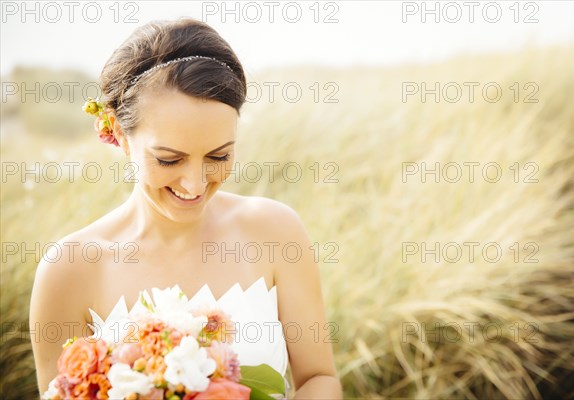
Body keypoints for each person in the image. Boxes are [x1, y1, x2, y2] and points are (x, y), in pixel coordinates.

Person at [29, 18, 342, 399]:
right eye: (169, 160)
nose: (195, 184)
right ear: (120, 134)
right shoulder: (69, 269)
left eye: (219, 155)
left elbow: (318, 379)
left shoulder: (275, 231)